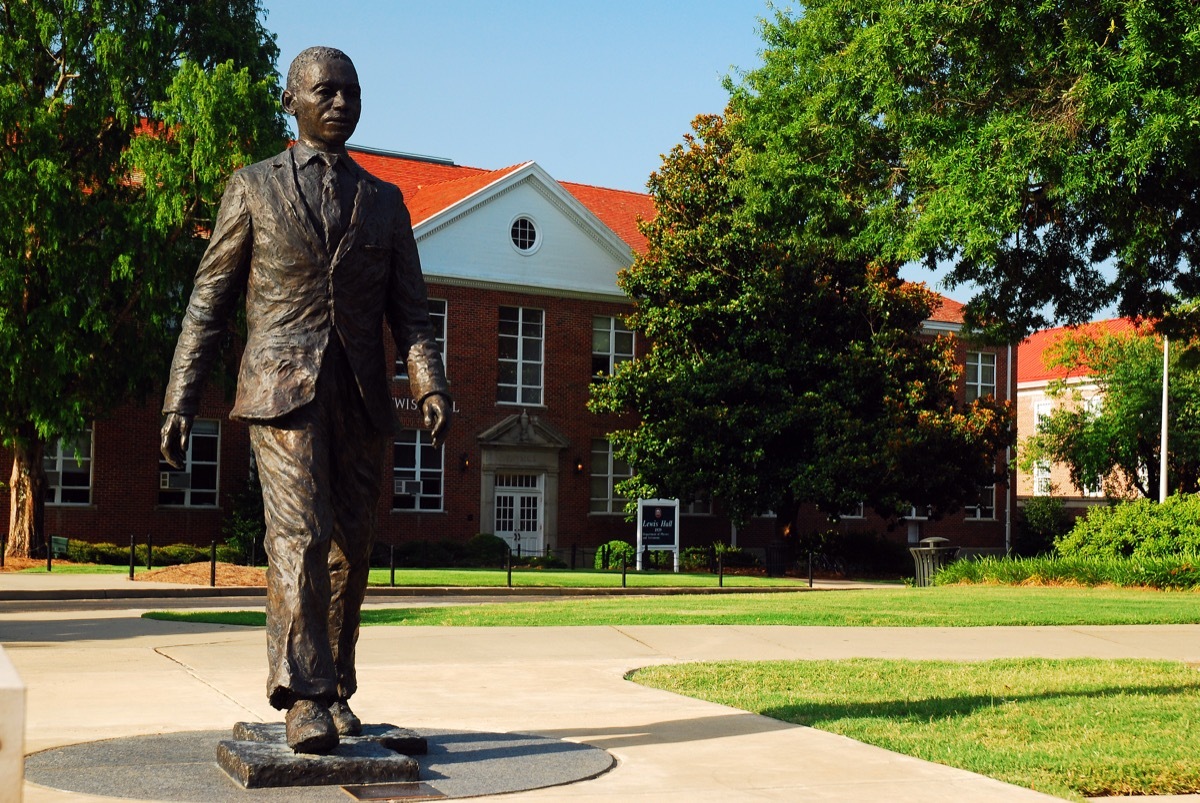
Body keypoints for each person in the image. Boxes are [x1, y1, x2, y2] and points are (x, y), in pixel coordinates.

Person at [160, 46, 451, 754]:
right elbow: (208, 300)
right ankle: (303, 694)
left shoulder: (385, 201)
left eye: (352, 92)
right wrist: (180, 398)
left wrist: (430, 382)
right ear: (290, 100)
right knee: (300, 533)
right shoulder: (253, 187)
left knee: (353, 545)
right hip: (280, 391)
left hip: (360, 395)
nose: (342, 103)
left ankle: (337, 684)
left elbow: (411, 312)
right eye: (325, 91)